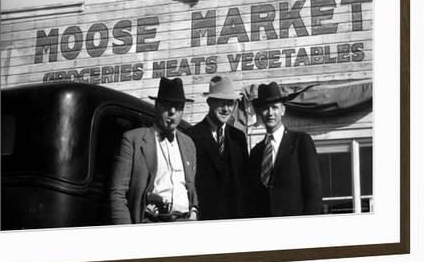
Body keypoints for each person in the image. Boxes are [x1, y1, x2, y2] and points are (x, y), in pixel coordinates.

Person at [109, 77, 199, 224]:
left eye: (178, 106)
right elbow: (118, 194)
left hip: (185, 224)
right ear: (157, 106)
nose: (172, 112)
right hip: (151, 223)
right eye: (167, 105)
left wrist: (194, 211)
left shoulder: (188, 144)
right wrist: (125, 233)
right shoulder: (133, 140)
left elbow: (191, 186)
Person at [247, 82, 323, 217]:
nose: (270, 113)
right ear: (260, 112)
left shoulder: (301, 142)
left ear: (283, 110)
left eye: (275, 107)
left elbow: (314, 192)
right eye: (265, 108)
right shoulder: (256, 152)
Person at [184, 75, 250, 220]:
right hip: (205, 220)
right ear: (209, 102)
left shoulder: (238, 137)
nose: (226, 109)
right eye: (221, 103)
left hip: (235, 220)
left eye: (230, 103)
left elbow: (245, 182)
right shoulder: (191, 136)